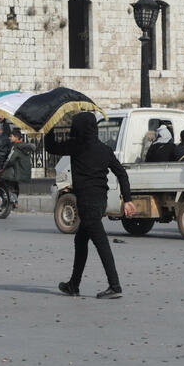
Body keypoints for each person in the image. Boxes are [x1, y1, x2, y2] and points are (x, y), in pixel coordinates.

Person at [44, 112, 136, 299]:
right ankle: (73, 284)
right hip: (100, 201)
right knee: (81, 240)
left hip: (86, 202)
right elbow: (122, 174)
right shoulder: (104, 149)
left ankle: (115, 286)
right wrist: (127, 199)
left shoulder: (77, 147)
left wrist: (50, 125)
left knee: (101, 242)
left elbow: (51, 146)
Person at [0, 128, 36, 208]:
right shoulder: (25, 147)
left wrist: (3, 166)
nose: (9, 138)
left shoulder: (16, 147)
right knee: (14, 183)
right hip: (24, 173)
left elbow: (10, 159)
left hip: (16, 172)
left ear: (16, 138)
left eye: (11, 136)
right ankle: (15, 201)